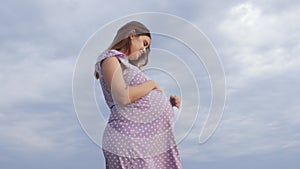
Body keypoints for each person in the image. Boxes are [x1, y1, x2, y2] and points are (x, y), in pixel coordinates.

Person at [94, 21, 182, 169]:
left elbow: (139, 103)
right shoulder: (111, 59)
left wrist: (168, 105)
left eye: (147, 47)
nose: (144, 49)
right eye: (144, 43)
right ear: (132, 35)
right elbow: (121, 95)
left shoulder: (130, 67)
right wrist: (152, 84)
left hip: (146, 142)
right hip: (128, 139)